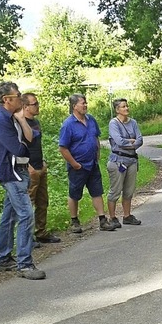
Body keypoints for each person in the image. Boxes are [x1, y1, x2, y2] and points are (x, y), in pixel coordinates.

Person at [0, 82, 46, 280]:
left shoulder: (12, 118)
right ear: (7, 100)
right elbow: (19, 148)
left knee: (9, 214)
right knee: (25, 214)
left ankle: (3, 258)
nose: (21, 98)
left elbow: (32, 138)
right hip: (12, 173)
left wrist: (21, 122)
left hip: (17, 171)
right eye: (18, 95)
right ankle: (25, 263)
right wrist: (26, 150)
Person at [59, 93, 116, 233]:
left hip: (92, 163)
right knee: (75, 193)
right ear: (74, 106)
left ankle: (102, 219)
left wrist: (97, 154)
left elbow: (95, 136)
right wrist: (74, 164)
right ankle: (74, 221)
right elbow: (63, 148)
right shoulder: (68, 125)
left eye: (86, 103)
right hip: (78, 166)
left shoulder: (91, 120)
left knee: (97, 191)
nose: (85, 105)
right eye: (82, 103)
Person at [21, 93, 60, 243]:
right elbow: (19, 147)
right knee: (28, 204)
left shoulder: (35, 122)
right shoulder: (21, 124)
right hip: (29, 169)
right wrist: (28, 166)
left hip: (40, 166)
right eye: (34, 104)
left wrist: (43, 161)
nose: (38, 106)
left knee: (43, 201)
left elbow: (37, 144)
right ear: (25, 106)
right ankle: (28, 237)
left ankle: (41, 232)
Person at [107, 98, 143, 228]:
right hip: (118, 161)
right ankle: (112, 217)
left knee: (129, 190)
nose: (126, 108)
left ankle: (127, 216)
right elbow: (119, 142)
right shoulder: (113, 123)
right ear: (117, 110)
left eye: (127, 106)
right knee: (115, 190)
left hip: (132, 160)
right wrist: (131, 142)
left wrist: (129, 143)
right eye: (123, 106)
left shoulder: (133, 122)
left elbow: (140, 140)